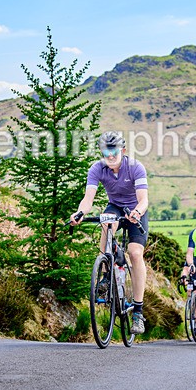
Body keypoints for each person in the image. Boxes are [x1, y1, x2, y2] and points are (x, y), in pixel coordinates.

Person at [70, 131, 149, 334]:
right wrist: (79, 213)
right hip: (114, 206)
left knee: (135, 253)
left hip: (135, 209)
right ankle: (107, 272)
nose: (110, 155)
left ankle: (138, 312)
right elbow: (88, 199)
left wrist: (137, 213)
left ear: (122, 150)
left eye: (114, 150)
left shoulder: (135, 167)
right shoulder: (97, 168)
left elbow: (144, 200)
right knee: (106, 223)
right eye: (106, 151)